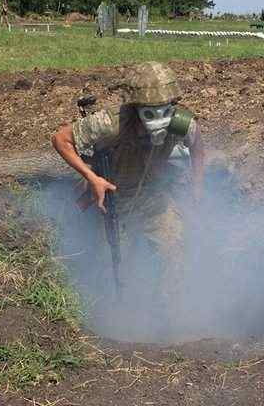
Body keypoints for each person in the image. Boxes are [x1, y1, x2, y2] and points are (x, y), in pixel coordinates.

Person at [51, 61, 205, 304]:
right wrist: (93, 178)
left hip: (152, 197)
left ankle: (171, 310)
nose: (160, 119)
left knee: (175, 248)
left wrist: (197, 188)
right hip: (111, 198)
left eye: (166, 110)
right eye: (150, 112)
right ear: (136, 108)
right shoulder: (111, 122)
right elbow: (61, 139)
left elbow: (197, 146)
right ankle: (113, 310)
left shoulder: (181, 121)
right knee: (112, 260)